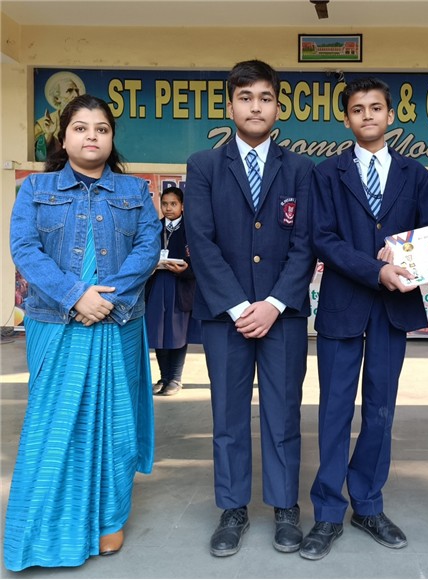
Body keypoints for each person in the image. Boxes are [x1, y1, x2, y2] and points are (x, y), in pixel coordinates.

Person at [6, 94, 161, 571]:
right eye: (80, 127)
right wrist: (75, 295)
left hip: (118, 320)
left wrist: (106, 299)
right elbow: (24, 248)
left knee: (115, 422)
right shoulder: (35, 188)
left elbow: (148, 247)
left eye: (101, 129)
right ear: (63, 137)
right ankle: (40, 531)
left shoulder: (136, 191)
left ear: (111, 138)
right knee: (53, 425)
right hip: (55, 320)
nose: (91, 136)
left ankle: (108, 520)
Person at [301, 77, 428, 560]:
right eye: (357, 109)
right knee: (334, 411)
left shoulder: (415, 174)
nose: (367, 116)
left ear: (390, 115)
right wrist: (375, 269)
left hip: (392, 309)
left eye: (375, 107)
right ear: (346, 119)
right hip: (344, 305)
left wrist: (412, 252)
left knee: (381, 410)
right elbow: (322, 238)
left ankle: (368, 504)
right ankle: (326, 512)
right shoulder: (326, 173)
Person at [184, 60, 315, 557]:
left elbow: (305, 244)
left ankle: (285, 508)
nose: (255, 107)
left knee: (283, 415)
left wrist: (274, 304)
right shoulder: (204, 165)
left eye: (265, 98)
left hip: (284, 316)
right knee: (228, 416)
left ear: (278, 106)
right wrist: (241, 306)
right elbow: (201, 240)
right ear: (230, 105)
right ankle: (233, 508)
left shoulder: (300, 168)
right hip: (225, 317)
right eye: (245, 97)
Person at [145, 186, 201, 396]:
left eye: (173, 204)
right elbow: (143, 253)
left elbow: (200, 260)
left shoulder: (191, 229)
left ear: (182, 206)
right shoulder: (154, 228)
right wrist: (147, 268)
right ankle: (164, 377)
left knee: (178, 333)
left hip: (180, 286)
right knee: (158, 332)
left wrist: (185, 270)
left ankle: (175, 378)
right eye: (165, 204)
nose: (168, 208)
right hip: (157, 285)